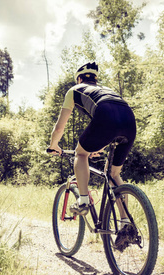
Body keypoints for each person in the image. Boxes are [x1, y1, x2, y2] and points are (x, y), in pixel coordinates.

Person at [47, 62, 136, 217]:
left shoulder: (74, 90)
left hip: (106, 117)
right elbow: (111, 124)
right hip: (130, 121)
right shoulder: (107, 90)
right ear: (95, 79)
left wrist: (53, 145)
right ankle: (125, 223)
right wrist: (98, 147)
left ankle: (83, 200)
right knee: (114, 174)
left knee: (80, 154)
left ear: (79, 79)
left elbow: (60, 127)